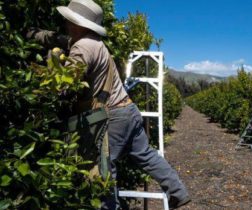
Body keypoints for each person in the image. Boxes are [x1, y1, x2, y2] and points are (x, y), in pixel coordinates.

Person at [27, 0, 190, 209]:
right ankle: (177, 191)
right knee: (146, 154)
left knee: (103, 169)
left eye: (69, 21)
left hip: (113, 116)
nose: (66, 24)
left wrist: (52, 62)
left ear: (79, 24)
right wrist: (36, 34)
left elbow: (64, 87)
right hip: (129, 110)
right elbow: (59, 39)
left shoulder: (82, 48)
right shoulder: (94, 43)